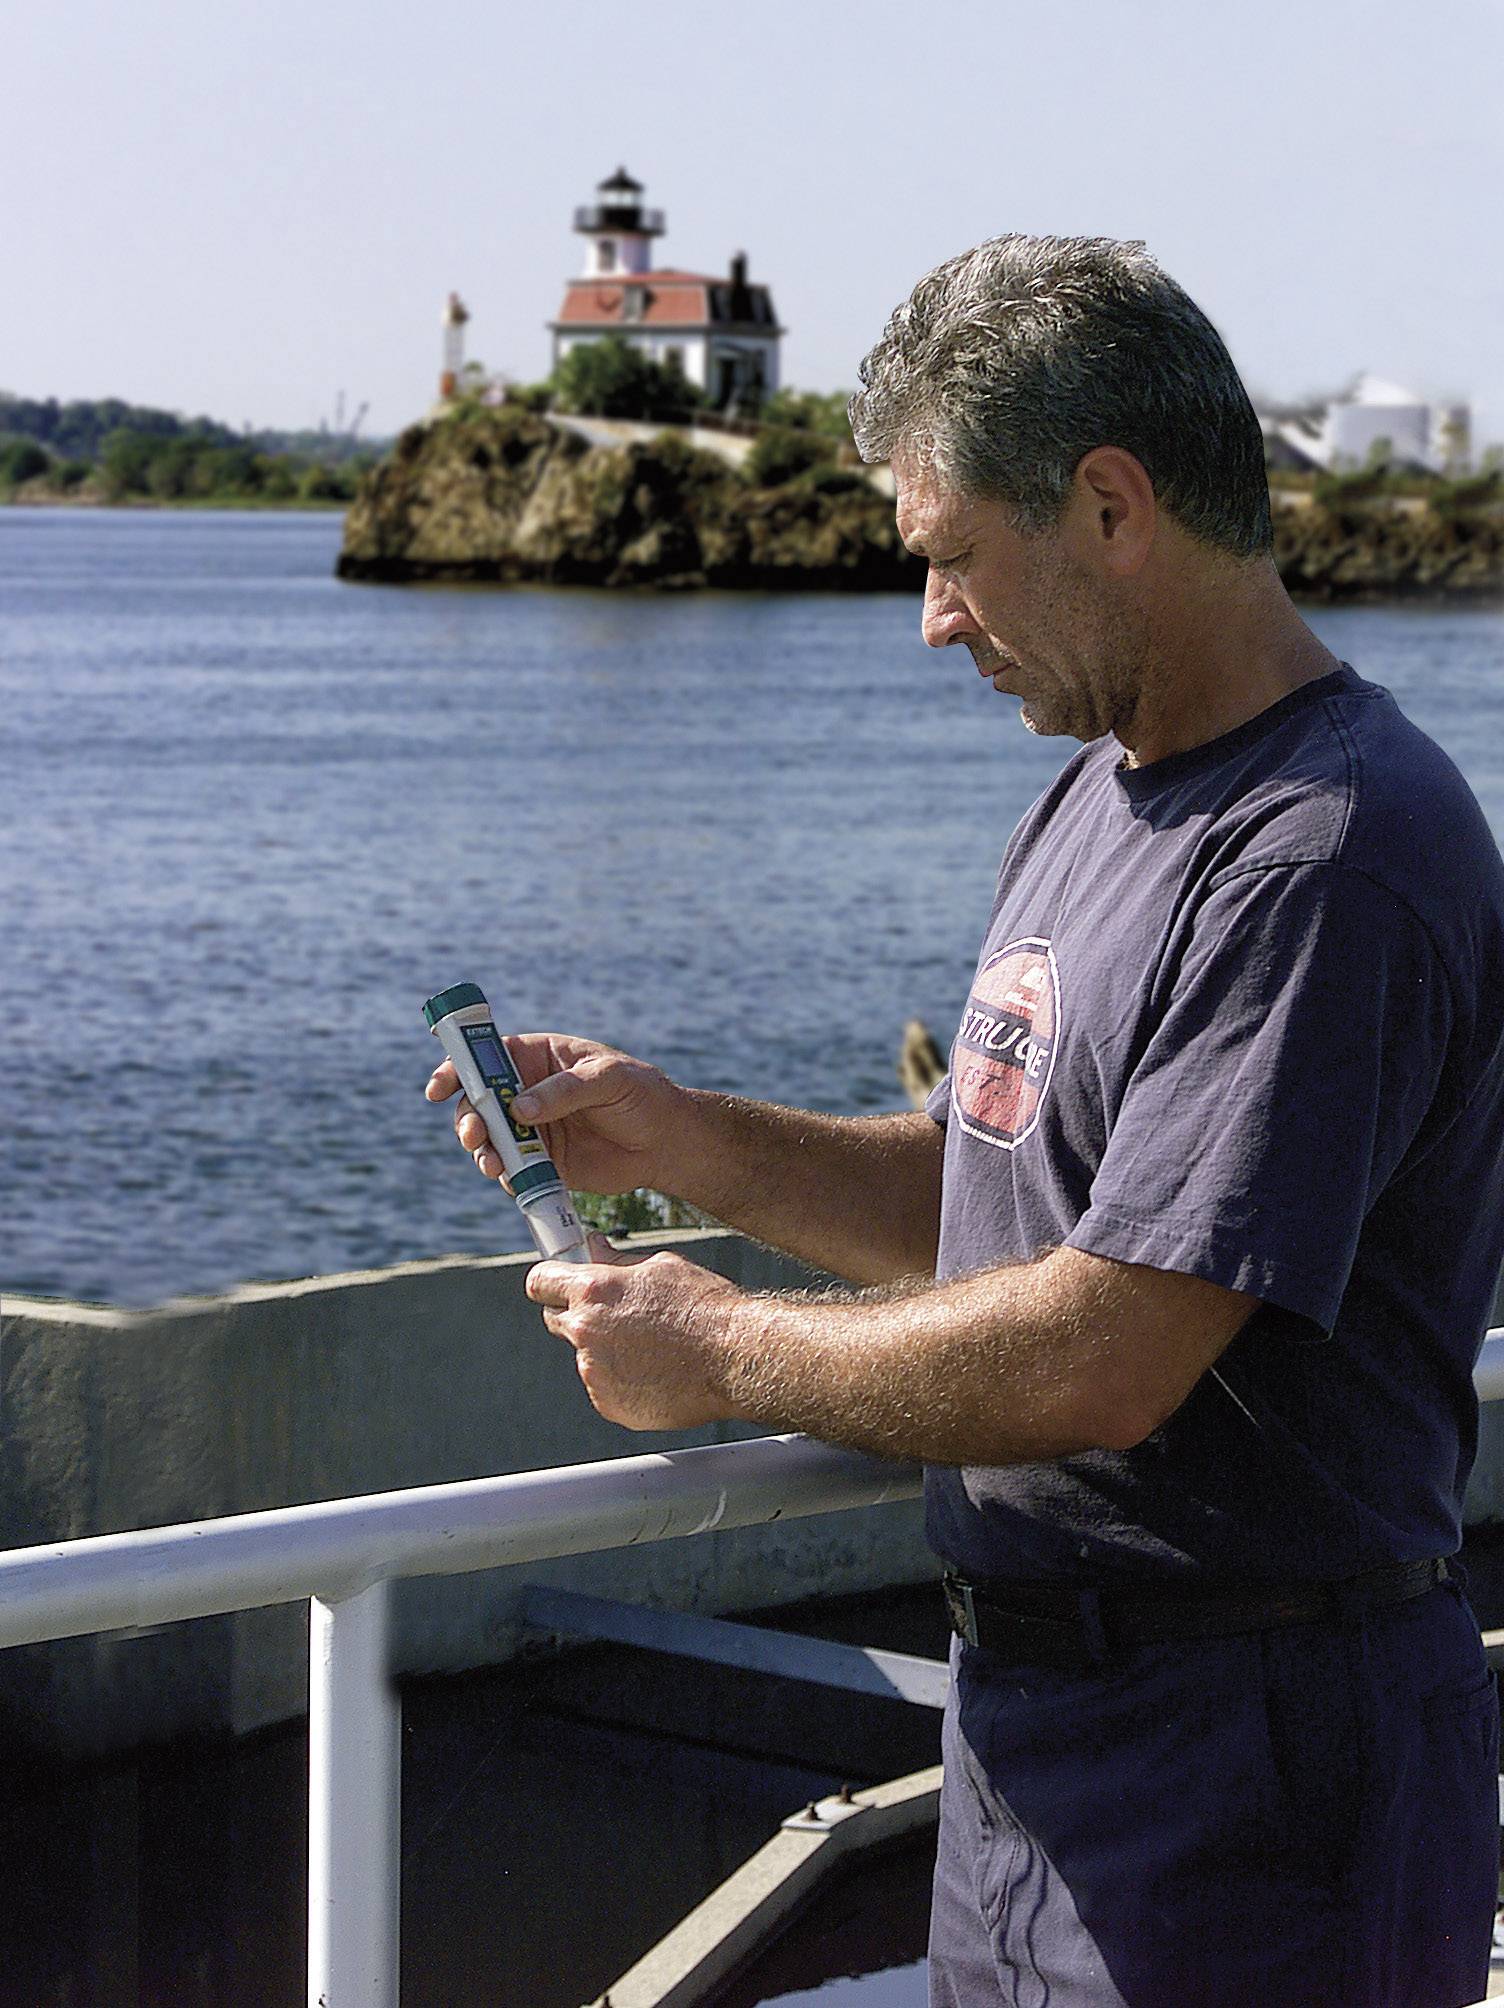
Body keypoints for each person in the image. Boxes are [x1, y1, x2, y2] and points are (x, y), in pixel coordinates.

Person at [428, 236, 1504, 2005]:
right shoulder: (1100, 791)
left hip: (1252, 1775)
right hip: (1041, 1751)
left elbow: (1103, 1351)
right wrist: (684, 1138)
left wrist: (717, 1350)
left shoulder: (1330, 850)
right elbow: (1008, 1197)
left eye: (947, 557)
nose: (932, 619)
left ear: (1105, 504)